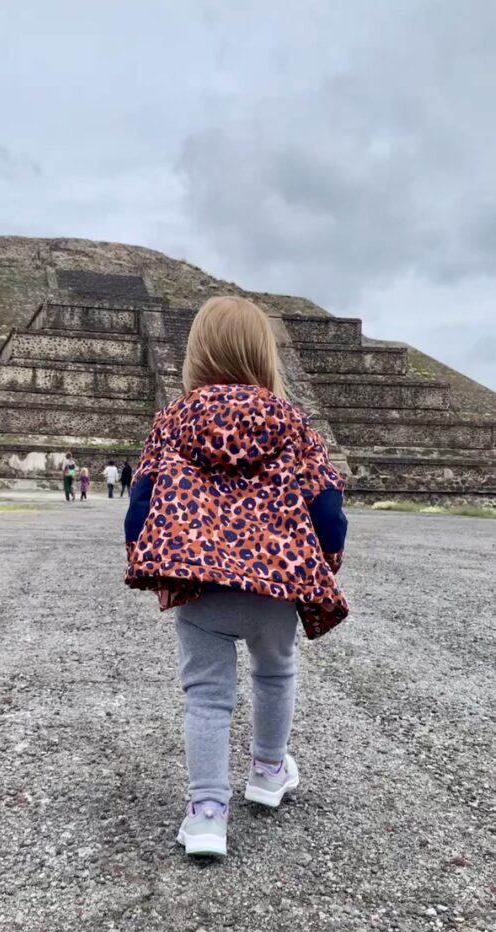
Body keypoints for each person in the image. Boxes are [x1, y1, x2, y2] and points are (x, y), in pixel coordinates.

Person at [124, 297, 348, 858]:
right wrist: (326, 559)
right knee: (275, 673)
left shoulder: (174, 420)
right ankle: (269, 771)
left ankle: (206, 813)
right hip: (278, 582)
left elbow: (140, 505)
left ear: (196, 354)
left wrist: (148, 559)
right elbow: (327, 507)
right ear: (263, 355)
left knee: (206, 694)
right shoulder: (292, 422)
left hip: (202, 585)